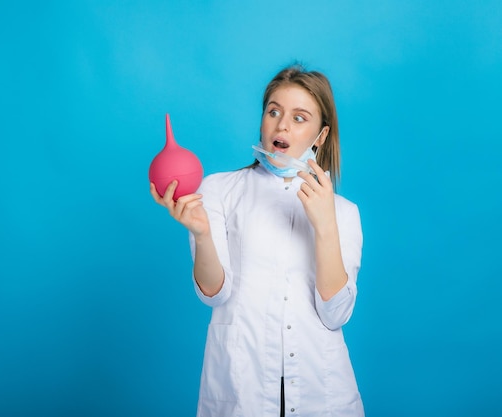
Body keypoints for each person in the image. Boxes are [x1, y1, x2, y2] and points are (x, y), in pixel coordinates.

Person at [150, 64, 364, 417]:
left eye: (299, 118)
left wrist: (325, 225)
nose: (282, 125)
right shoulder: (218, 190)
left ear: (321, 136)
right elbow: (215, 293)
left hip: (320, 394)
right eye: (274, 111)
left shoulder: (344, 212)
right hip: (240, 389)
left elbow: (335, 313)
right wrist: (201, 233)